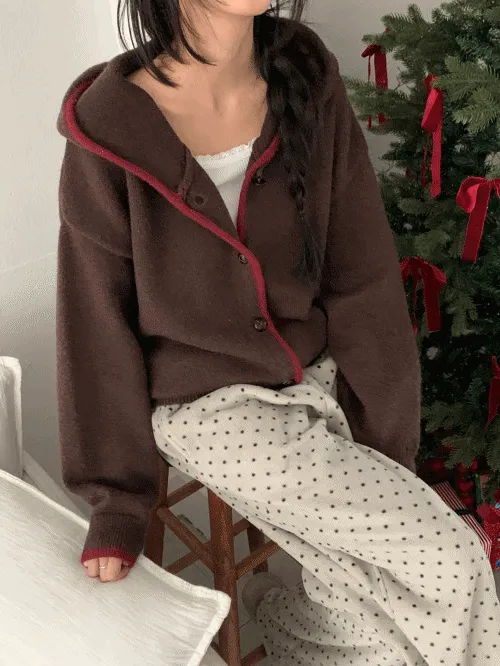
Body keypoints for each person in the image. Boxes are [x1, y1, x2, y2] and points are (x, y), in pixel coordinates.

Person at [56, 1, 499, 664]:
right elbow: (95, 322)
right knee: (453, 559)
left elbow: (362, 275)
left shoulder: (306, 83)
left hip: (311, 377)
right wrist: (116, 502)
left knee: (373, 599)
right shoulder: (109, 129)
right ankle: (290, 626)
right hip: (207, 409)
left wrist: (387, 446)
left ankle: (287, 628)